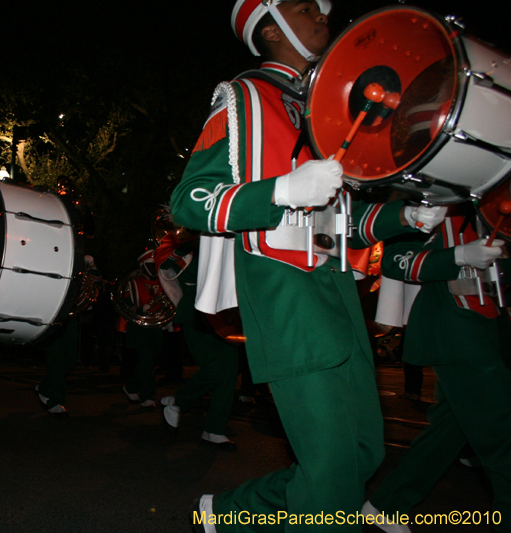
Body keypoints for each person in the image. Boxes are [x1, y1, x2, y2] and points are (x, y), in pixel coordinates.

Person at [169, 0, 445, 530]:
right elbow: (189, 199)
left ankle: (226, 514)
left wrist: (403, 215)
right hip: (284, 295)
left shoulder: (325, 107)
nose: (324, 15)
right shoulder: (242, 96)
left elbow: (345, 222)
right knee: (333, 477)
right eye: (304, 8)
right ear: (270, 30)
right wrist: (282, 190)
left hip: (337, 293)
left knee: (364, 454)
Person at [362, 206, 510, 533]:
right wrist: (458, 255)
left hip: (489, 323)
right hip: (454, 326)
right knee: (504, 439)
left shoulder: (488, 199)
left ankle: (387, 504)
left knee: (452, 428)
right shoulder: (428, 191)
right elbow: (395, 260)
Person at [156, 227, 240, 449]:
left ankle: (213, 429)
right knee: (218, 368)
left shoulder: (221, 244)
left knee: (229, 368)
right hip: (197, 312)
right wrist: (186, 247)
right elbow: (167, 269)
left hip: (223, 311)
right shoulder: (187, 248)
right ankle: (178, 403)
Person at [35, 255, 101, 415]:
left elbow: (96, 285)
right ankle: (56, 401)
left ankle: (44, 387)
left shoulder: (76, 264)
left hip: (69, 318)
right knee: (56, 360)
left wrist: (92, 267)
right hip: (51, 315)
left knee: (71, 360)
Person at [119, 249, 167, 408]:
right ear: (143, 266)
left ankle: (130, 387)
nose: (154, 269)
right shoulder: (132, 283)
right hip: (139, 327)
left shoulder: (163, 282)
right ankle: (148, 396)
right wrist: (140, 310)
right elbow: (124, 305)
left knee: (150, 361)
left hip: (156, 326)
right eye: (151, 266)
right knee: (146, 360)